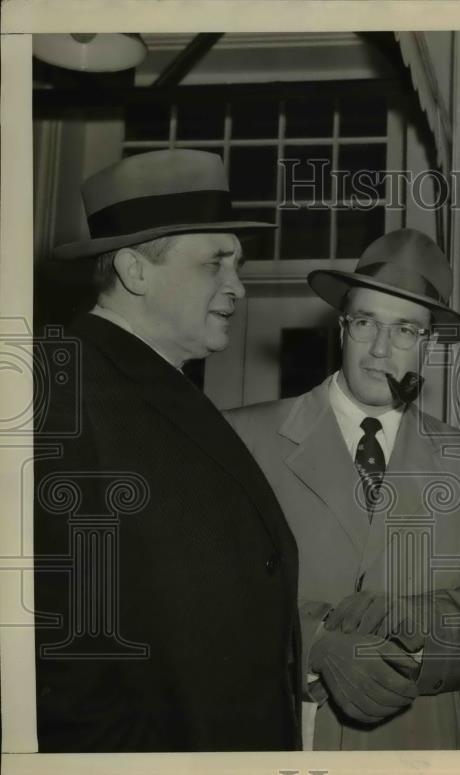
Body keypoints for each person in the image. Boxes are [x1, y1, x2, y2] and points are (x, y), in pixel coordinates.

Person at [33, 149, 301, 751]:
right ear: (134, 270)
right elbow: (59, 652)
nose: (237, 286)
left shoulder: (155, 382)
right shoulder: (61, 389)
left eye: (239, 264)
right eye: (216, 263)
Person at [226, 228, 460, 750]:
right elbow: (208, 593)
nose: (380, 348)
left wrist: (419, 629)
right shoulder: (244, 439)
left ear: (430, 343)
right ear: (343, 327)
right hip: (285, 731)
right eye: (366, 322)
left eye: (405, 329)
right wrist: (314, 642)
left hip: (417, 740)